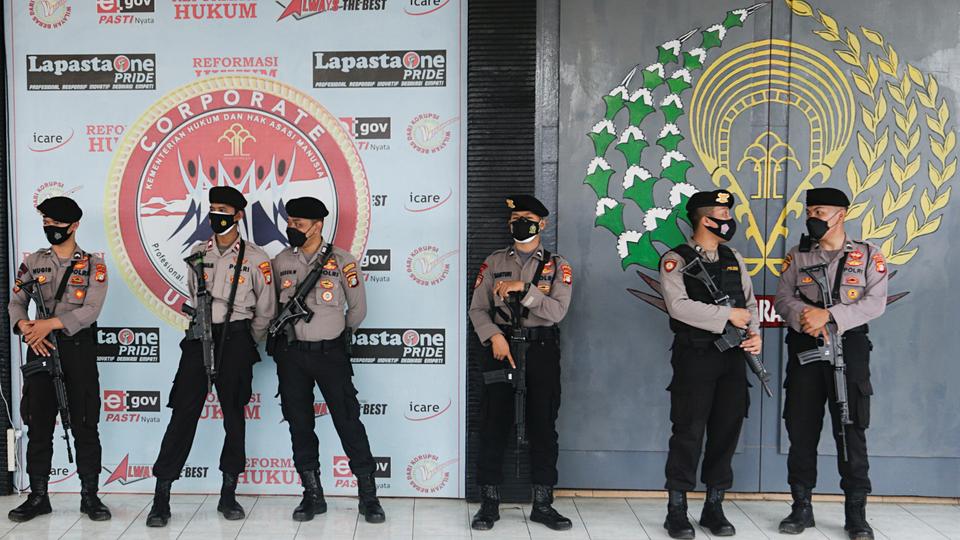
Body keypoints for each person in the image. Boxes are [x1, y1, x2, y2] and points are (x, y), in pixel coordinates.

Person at [145, 186, 276, 527]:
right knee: (183, 414)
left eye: (223, 209)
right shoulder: (197, 253)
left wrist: (248, 341)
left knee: (233, 416)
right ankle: (162, 496)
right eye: (212, 208)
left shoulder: (256, 257)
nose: (216, 215)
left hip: (236, 337)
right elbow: (193, 293)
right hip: (200, 336)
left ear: (238, 215)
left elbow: (266, 309)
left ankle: (228, 493)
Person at [774, 187, 887, 540]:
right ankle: (801, 506)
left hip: (849, 346)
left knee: (851, 428)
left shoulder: (868, 254)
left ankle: (855, 513)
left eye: (820, 211)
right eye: (810, 210)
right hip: (805, 346)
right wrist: (806, 317)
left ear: (842, 214)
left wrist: (831, 316)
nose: (813, 217)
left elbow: (874, 302)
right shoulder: (798, 255)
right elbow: (782, 298)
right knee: (801, 427)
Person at [269, 197, 385, 523]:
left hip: (330, 355)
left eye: (299, 224)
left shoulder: (343, 261)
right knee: (300, 424)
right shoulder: (280, 261)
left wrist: (335, 335)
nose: (292, 228)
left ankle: (368, 497)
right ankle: (312, 495)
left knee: (348, 421)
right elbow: (272, 307)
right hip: (292, 356)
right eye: (290, 222)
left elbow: (357, 309)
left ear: (317, 226)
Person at [658, 189, 761, 539]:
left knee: (726, 431)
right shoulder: (676, 259)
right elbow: (679, 307)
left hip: (732, 358)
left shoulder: (733, 257)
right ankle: (677, 510)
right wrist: (726, 314)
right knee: (688, 432)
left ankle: (714, 506)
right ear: (706, 219)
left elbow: (749, 304)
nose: (729, 220)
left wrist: (755, 333)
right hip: (696, 357)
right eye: (723, 213)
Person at [468, 195, 574, 531]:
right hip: (501, 349)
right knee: (493, 423)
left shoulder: (558, 266)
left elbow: (557, 311)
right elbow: (478, 309)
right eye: (515, 218)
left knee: (543, 426)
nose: (520, 223)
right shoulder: (494, 261)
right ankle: (489, 502)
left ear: (542, 223)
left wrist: (524, 289)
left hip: (541, 351)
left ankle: (543, 503)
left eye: (527, 218)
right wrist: (493, 337)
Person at [8, 196, 111, 522]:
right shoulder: (34, 262)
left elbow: (91, 310)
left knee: (84, 423)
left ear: (75, 225)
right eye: (47, 223)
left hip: (76, 349)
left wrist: (47, 325)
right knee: (38, 424)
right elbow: (15, 302)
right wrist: (26, 327)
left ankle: (90, 496)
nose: (50, 228)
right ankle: (39, 496)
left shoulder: (94, 265)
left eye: (57, 224)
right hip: (39, 348)